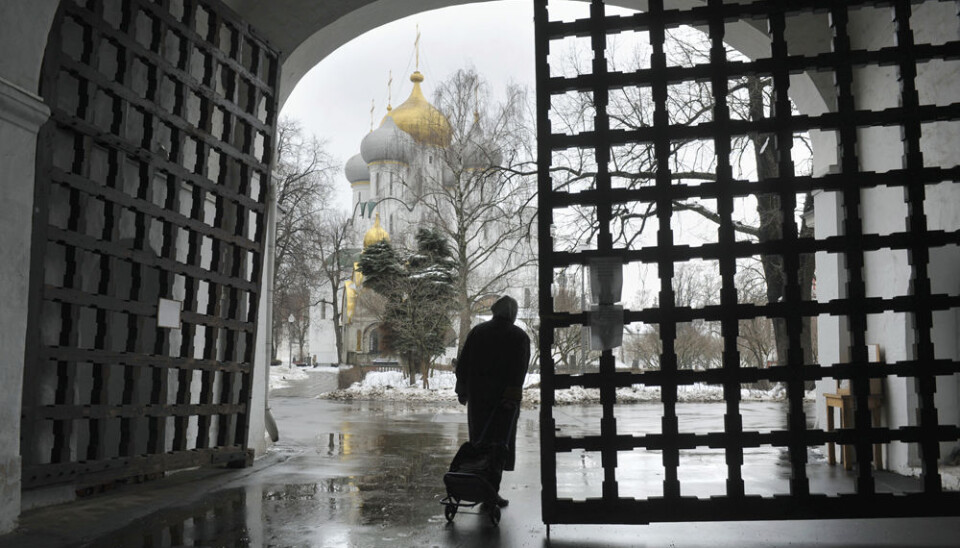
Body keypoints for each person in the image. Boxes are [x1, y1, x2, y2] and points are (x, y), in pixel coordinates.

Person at [454, 295, 530, 507]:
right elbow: (519, 372)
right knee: (498, 447)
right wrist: (511, 398)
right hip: (504, 403)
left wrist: (463, 391)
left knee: (479, 445)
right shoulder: (519, 336)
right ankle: (490, 492)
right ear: (512, 313)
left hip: (478, 401)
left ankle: (479, 488)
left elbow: (463, 365)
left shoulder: (477, 332)